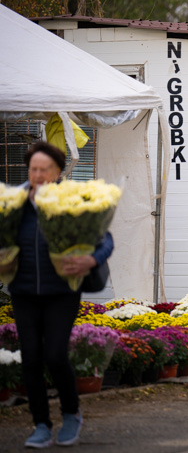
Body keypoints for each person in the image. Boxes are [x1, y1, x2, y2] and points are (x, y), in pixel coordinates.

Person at [8, 141, 114, 448]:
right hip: (23, 290)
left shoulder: (73, 200)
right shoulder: (13, 202)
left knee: (54, 354)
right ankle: (40, 423)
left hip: (62, 291)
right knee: (30, 360)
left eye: (44, 169)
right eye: (33, 169)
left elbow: (105, 240)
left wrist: (92, 259)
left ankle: (71, 414)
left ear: (57, 172)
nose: (38, 175)